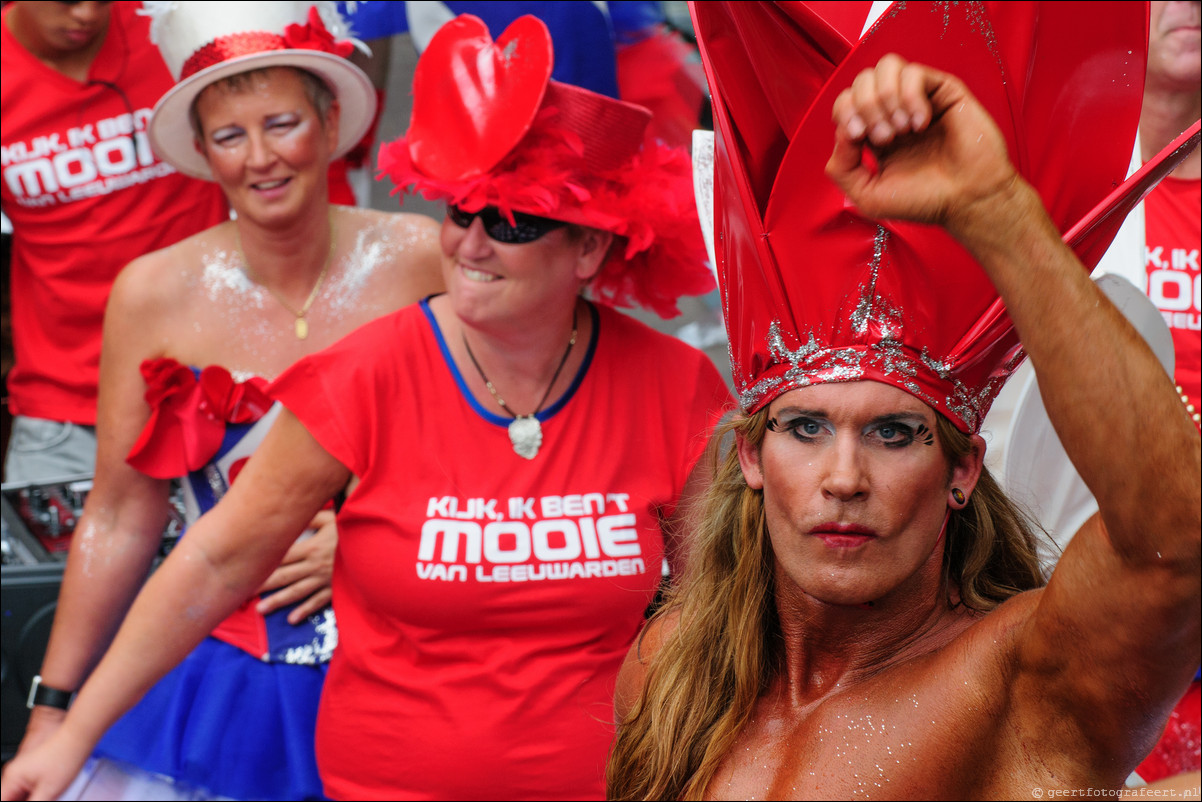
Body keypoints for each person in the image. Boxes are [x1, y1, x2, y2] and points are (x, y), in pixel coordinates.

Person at [0, 12, 728, 802]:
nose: (473, 244)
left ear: (590, 246)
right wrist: (59, 721)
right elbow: (199, 552)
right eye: (461, 211)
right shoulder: (367, 362)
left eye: (511, 221)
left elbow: (721, 607)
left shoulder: (668, 382)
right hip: (312, 728)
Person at [607, 2, 1200, 799]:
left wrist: (996, 213)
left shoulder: (1020, 686)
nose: (843, 477)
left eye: (893, 433)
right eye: (806, 427)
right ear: (749, 455)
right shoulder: (670, 668)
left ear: (961, 472)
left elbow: (1176, 541)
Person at [3, 3, 443, 800]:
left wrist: (371, 532)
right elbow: (118, 517)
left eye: (281, 123)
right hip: (226, 670)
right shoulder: (154, 294)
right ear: (200, 152)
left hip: (411, 654)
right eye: (230, 136)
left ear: (330, 117)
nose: (262, 159)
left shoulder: (422, 260)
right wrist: (51, 712)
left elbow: (499, 449)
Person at [1, 0, 229, 482]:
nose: (86, 14)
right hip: (66, 410)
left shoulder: (173, 28)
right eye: (67, 0)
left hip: (217, 386)